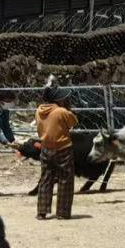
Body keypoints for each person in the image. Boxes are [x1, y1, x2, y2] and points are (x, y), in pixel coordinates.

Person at [35, 85, 79, 220]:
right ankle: (62, 212)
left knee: (46, 179)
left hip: (46, 148)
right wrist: (68, 109)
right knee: (65, 179)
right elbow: (74, 122)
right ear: (58, 100)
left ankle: (42, 212)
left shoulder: (38, 110)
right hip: (63, 148)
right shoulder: (61, 111)